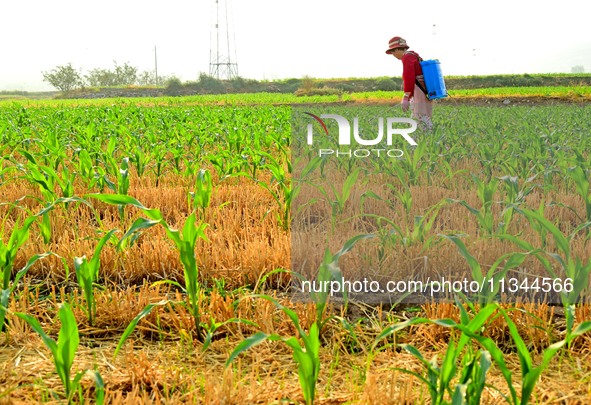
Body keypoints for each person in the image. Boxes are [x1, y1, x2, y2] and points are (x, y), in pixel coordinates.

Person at [385, 36, 433, 131]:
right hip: (425, 89)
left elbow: (409, 77)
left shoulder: (407, 58)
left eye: (393, 52)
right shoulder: (414, 55)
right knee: (420, 115)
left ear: (397, 50)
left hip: (419, 90)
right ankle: (421, 138)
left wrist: (406, 96)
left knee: (420, 114)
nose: (393, 55)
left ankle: (426, 138)